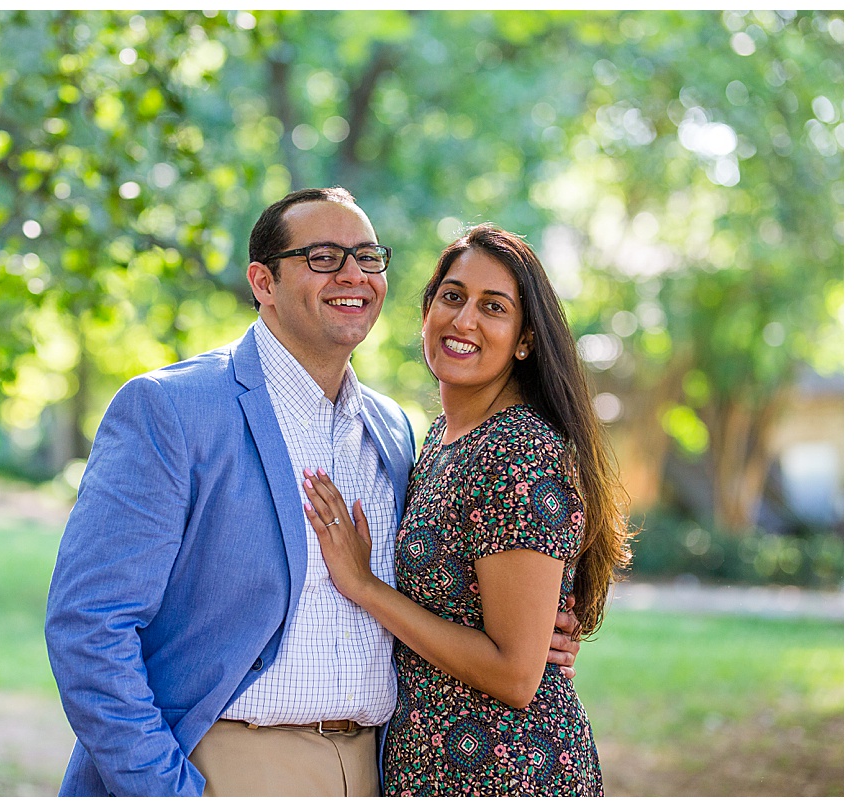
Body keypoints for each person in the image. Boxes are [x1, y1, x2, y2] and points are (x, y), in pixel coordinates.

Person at [44, 190, 582, 797]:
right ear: (263, 282)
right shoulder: (172, 410)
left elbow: (456, 586)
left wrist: (532, 637)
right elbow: (90, 627)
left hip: (382, 770)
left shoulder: (396, 433)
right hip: (228, 764)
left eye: (367, 257)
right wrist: (164, 792)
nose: (353, 275)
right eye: (323, 257)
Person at [300, 223, 633, 796]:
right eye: (452, 297)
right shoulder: (438, 440)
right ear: (428, 310)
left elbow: (514, 674)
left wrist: (365, 585)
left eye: (493, 307)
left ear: (524, 339)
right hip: (431, 768)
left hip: (507, 774)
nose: (465, 320)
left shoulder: (517, 452)